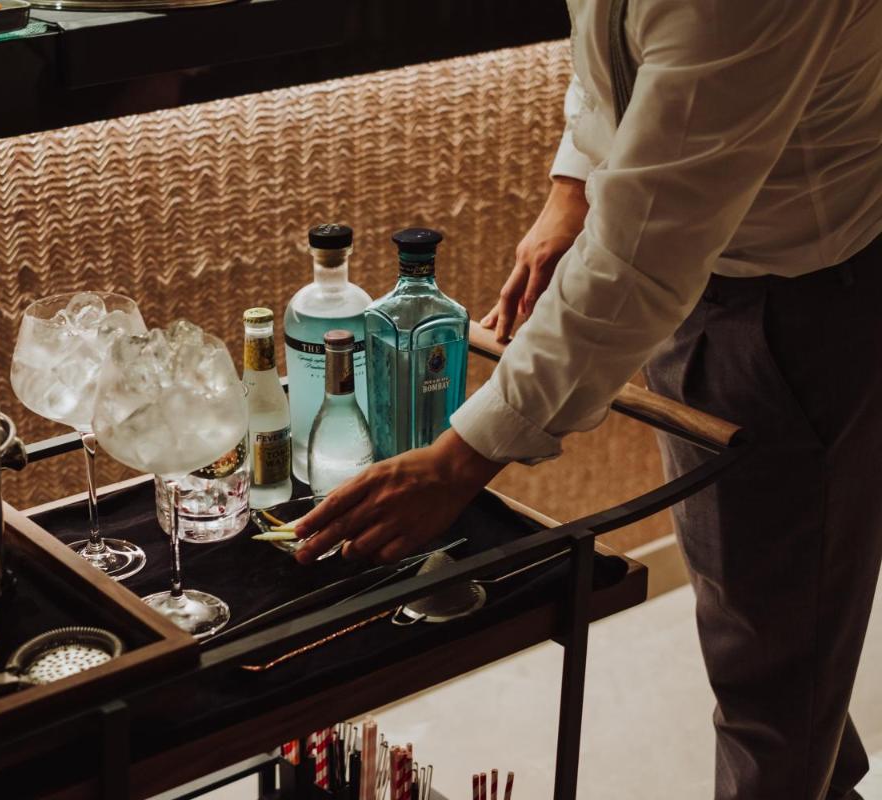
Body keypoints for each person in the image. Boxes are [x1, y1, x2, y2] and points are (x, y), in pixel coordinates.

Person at [294, 1, 882, 797]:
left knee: (771, 671)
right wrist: (572, 186)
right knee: (769, 619)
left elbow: (641, 256)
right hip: (719, 273)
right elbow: (616, 50)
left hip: (796, 298)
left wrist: (462, 459)